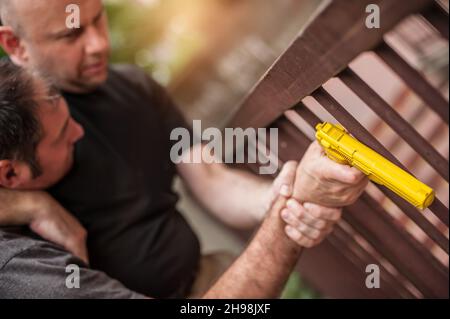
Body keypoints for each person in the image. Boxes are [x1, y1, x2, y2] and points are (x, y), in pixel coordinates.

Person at [0, 0, 368, 298]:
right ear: (15, 44)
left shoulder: (136, 86)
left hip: (214, 272)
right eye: (72, 34)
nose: (99, 43)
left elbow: (210, 179)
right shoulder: (14, 131)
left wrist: (279, 196)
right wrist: (26, 204)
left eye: (99, 19)